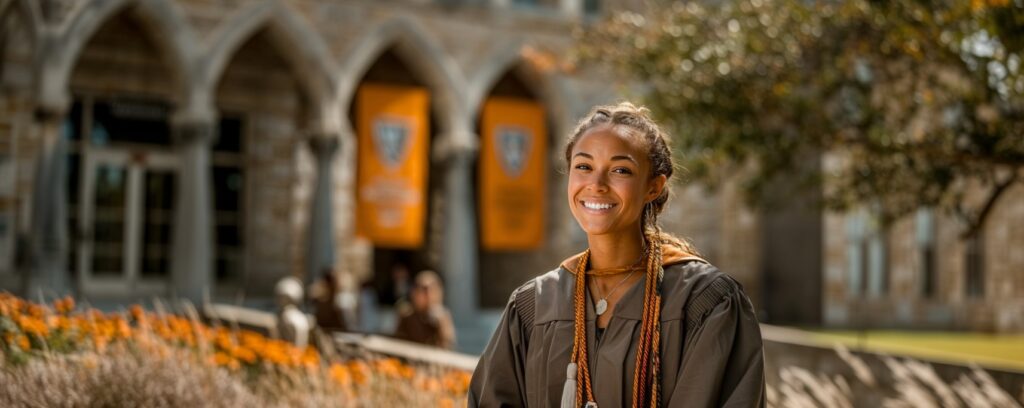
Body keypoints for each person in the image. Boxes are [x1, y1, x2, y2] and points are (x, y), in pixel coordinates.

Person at [470, 103, 765, 407]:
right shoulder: (534, 305)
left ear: (654, 186)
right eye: (583, 167)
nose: (596, 185)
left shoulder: (706, 302)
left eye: (620, 170)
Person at [393, 270, 456, 349]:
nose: (428, 295)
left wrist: (440, 324)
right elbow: (398, 342)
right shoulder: (406, 315)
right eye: (423, 290)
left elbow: (447, 345)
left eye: (432, 289)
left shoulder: (442, 316)